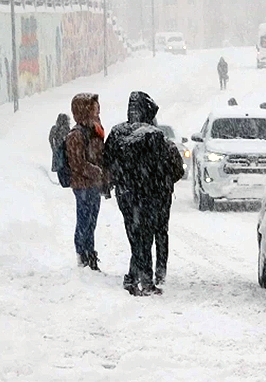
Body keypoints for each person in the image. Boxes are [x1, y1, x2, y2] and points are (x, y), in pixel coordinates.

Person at [104, 91, 184, 296]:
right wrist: (160, 186)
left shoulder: (117, 132)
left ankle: (133, 278)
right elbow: (161, 168)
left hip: (125, 193)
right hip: (147, 194)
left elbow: (107, 162)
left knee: (134, 235)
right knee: (146, 237)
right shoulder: (154, 136)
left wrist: (114, 182)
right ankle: (144, 280)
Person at [66, 93, 106, 271]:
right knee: (84, 221)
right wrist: (97, 172)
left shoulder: (94, 130)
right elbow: (77, 163)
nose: (97, 111)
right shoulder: (76, 134)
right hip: (83, 185)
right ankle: (84, 256)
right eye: (94, 108)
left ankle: (90, 254)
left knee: (91, 222)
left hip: (93, 185)